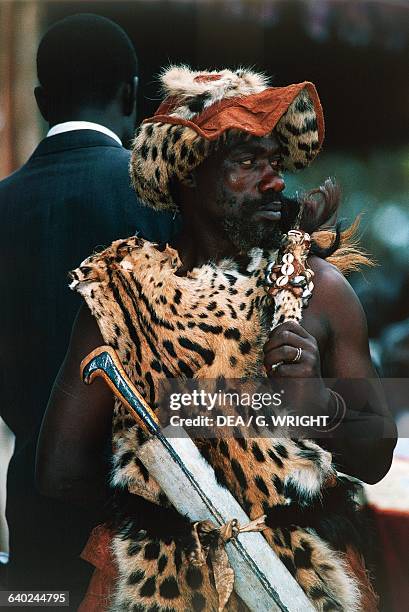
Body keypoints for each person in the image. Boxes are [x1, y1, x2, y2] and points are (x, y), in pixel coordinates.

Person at [37, 66, 396, 611]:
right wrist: (176, 504)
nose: (273, 179)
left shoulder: (318, 290)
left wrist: (320, 405)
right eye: (246, 163)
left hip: (300, 584)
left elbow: (377, 455)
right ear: (186, 173)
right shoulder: (120, 294)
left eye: (274, 162)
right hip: (159, 585)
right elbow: (60, 468)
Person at [0, 14, 176, 605]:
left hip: (33, 528)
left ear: (43, 101)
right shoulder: (165, 202)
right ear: (132, 93)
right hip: (149, 533)